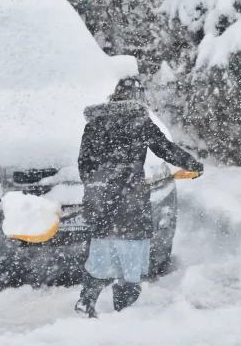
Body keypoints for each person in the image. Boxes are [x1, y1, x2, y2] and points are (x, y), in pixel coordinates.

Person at [75, 76, 204, 318]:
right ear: (138, 98)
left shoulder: (94, 124)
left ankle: (87, 300)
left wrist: (96, 189)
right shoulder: (138, 121)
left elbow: (84, 164)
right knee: (131, 252)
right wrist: (192, 164)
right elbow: (164, 148)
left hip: (100, 198)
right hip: (129, 197)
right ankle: (124, 313)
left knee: (102, 248)